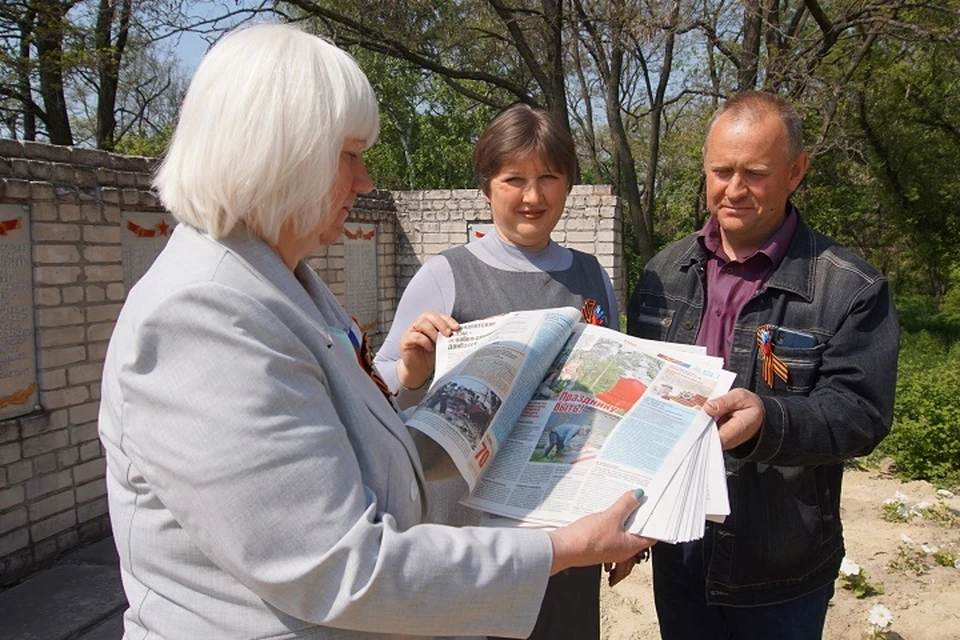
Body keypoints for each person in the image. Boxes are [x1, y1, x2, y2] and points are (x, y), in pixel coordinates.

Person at [97, 23, 654, 639]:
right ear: (279, 153)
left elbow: (355, 455)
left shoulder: (283, 284)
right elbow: (336, 567)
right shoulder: (202, 316)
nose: (364, 182)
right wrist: (559, 549)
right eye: (350, 155)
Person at [626, 91, 899, 639]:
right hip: (678, 549)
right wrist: (630, 518)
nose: (734, 189)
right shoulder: (664, 273)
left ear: (796, 172)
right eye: (721, 170)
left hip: (780, 565)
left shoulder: (850, 288)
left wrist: (768, 420)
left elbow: (860, 414)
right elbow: (637, 401)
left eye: (755, 172)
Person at [374, 104, 624, 640]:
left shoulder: (593, 280)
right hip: (470, 536)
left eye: (548, 178)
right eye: (514, 179)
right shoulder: (445, 277)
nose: (532, 197)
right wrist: (412, 373)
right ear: (487, 186)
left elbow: (611, 405)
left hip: (560, 527)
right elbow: (381, 396)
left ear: (568, 184)